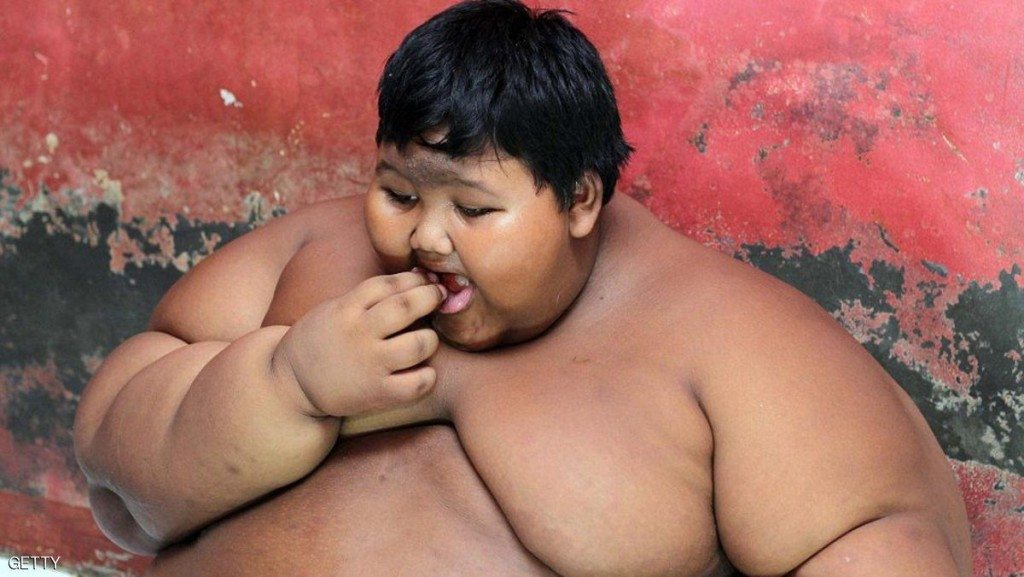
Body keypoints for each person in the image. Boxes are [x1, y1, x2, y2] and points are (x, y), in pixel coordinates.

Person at [73, 1, 973, 575]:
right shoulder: (318, 250)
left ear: (579, 198)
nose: (426, 237)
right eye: (399, 194)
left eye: (474, 209)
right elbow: (115, 483)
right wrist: (285, 383)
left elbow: (889, 542)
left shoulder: (730, 339)